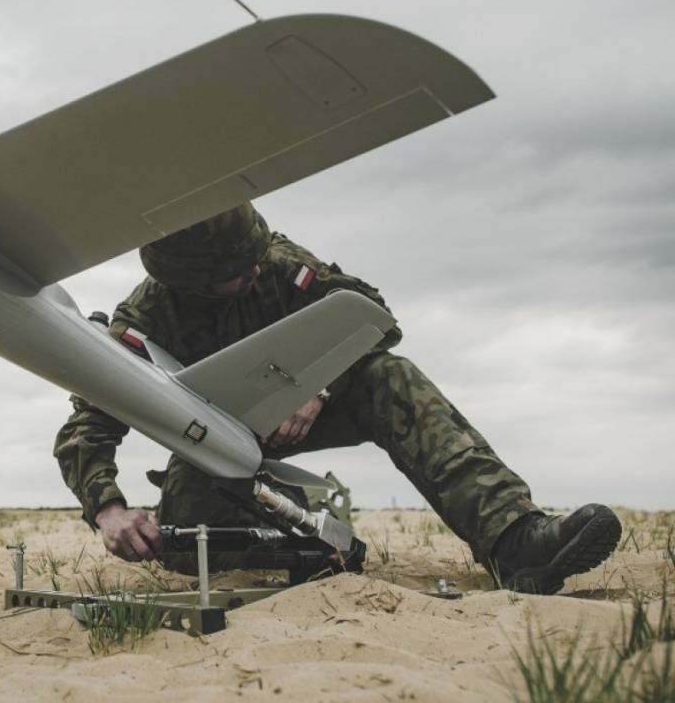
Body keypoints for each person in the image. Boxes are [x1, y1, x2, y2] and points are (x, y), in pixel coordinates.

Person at [54, 203, 621, 594]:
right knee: (185, 546)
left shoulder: (274, 263)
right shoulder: (146, 320)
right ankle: (303, 538)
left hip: (317, 406)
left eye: (255, 255)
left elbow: (371, 317)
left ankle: (513, 539)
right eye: (236, 271)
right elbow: (86, 428)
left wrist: (316, 385)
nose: (255, 269)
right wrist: (109, 510)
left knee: (390, 379)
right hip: (218, 448)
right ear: (191, 282)